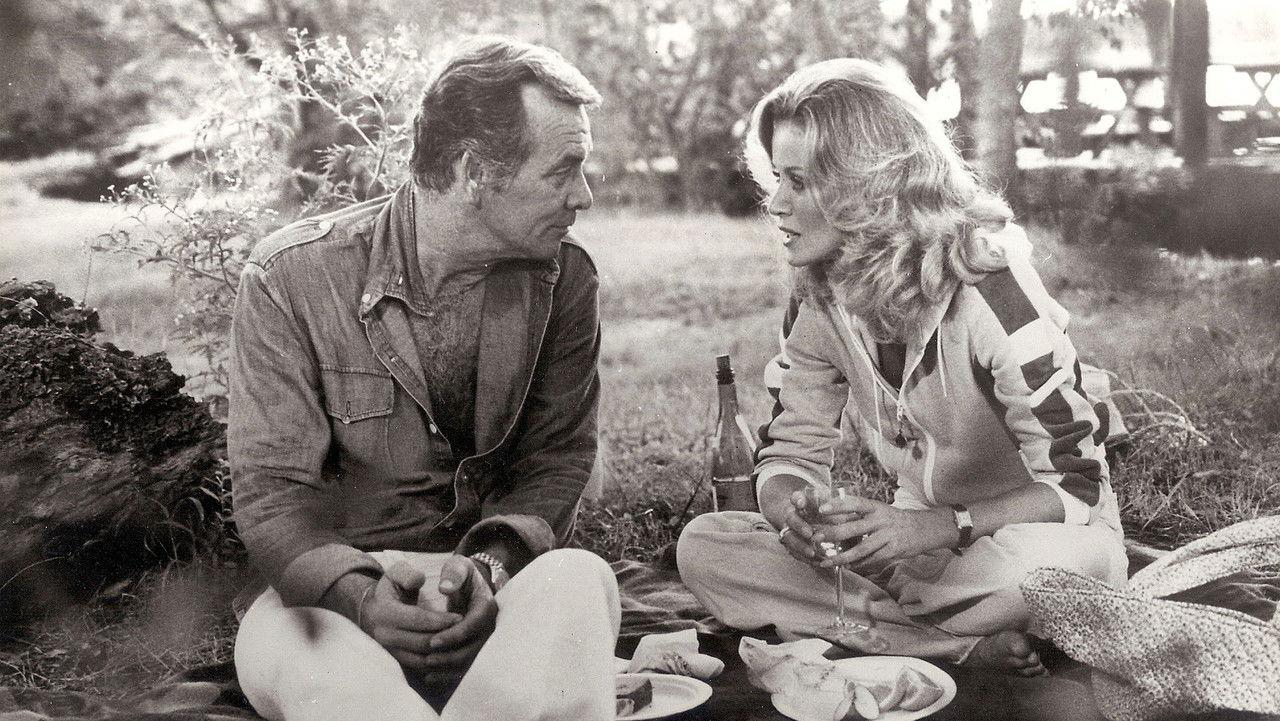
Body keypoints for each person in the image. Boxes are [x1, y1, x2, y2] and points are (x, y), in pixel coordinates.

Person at [677, 58, 1128, 676]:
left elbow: (1076, 487)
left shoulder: (993, 289)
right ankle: (957, 643)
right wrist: (793, 515)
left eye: (800, 183)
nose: (775, 205)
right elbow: (789, 453)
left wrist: (941, 526)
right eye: (777, 178)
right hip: (918, 552)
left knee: (1037, 574)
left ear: (868, 186)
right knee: (705, 547)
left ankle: (895, 628)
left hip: (1032, 538)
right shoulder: (817, 294)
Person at [227, 36, 619, 721]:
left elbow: (557, 461)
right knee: (343, 684)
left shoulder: (567, 281)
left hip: (496, 591)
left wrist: (490, 568)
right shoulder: (288, 279)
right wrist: (361, 597)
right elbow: (274, 498)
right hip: (334, 604)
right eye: (564, 169)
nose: (582, 195)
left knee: (580, 578)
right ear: (474, 171)